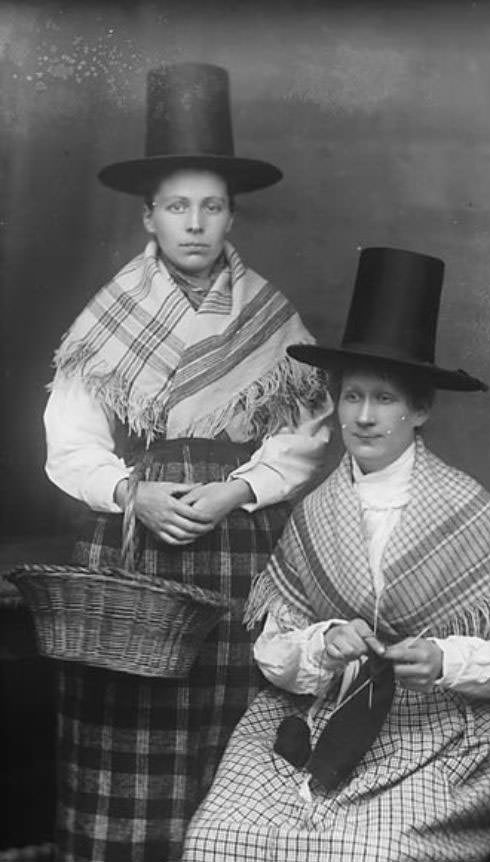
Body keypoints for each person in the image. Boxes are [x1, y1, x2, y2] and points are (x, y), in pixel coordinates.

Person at [181, 247, 490, 862]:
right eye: (352, 396)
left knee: (362, 850)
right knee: (220, 838)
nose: (363, 416)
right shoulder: (316, 512)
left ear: (420, 409)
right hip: (323, 720)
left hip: (434, 739)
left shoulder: (466, 508)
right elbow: (275, 651)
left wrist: (443, 658)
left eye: (384, 398)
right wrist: (323, 645)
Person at [43, 62, 331, 862]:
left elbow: (304, 435)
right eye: (177, 207)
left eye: (211, 207)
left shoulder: (274, 317)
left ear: (232, 216)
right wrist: (133, 491)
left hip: (238, 543)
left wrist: (237, 488)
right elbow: (69, 442)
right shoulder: (109, 317)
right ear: (149, 217)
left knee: (229, 726)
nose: (195, 224)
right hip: (130, 544)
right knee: (123, 723)